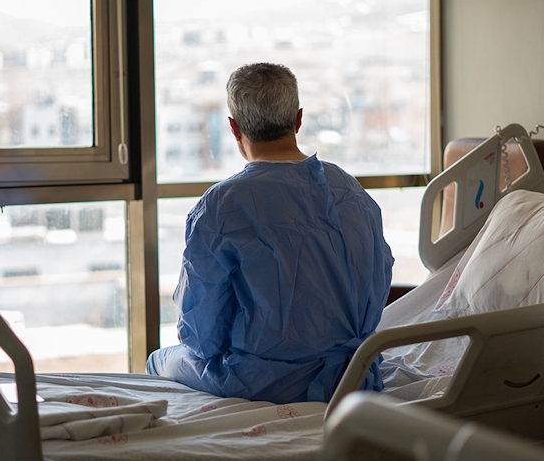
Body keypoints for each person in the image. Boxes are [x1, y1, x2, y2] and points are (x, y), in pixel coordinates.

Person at [146, 62, 394, 404]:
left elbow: (201, 337)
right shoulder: (350, 190)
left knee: (158, 360)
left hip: (267, 382)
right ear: (298, 119)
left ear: (234, 128)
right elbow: (378, 281)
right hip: (356, 374)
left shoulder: (222, 205)